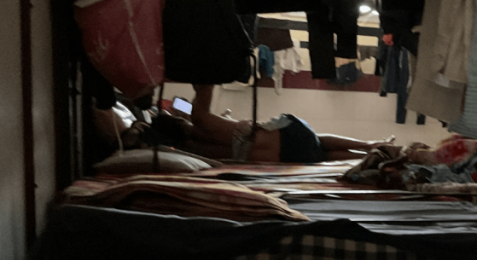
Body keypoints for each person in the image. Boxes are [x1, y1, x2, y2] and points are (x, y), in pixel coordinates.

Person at [93, 84, 394, 163]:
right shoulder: (200, 130)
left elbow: (190, 116)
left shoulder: (195, 151)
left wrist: (177, 112)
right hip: (288, 137)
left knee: (321, 154)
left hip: (287, 156)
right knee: (316, 141)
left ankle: (370, 152)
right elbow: (197, 114)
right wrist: (204, 82)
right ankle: (370, 145)